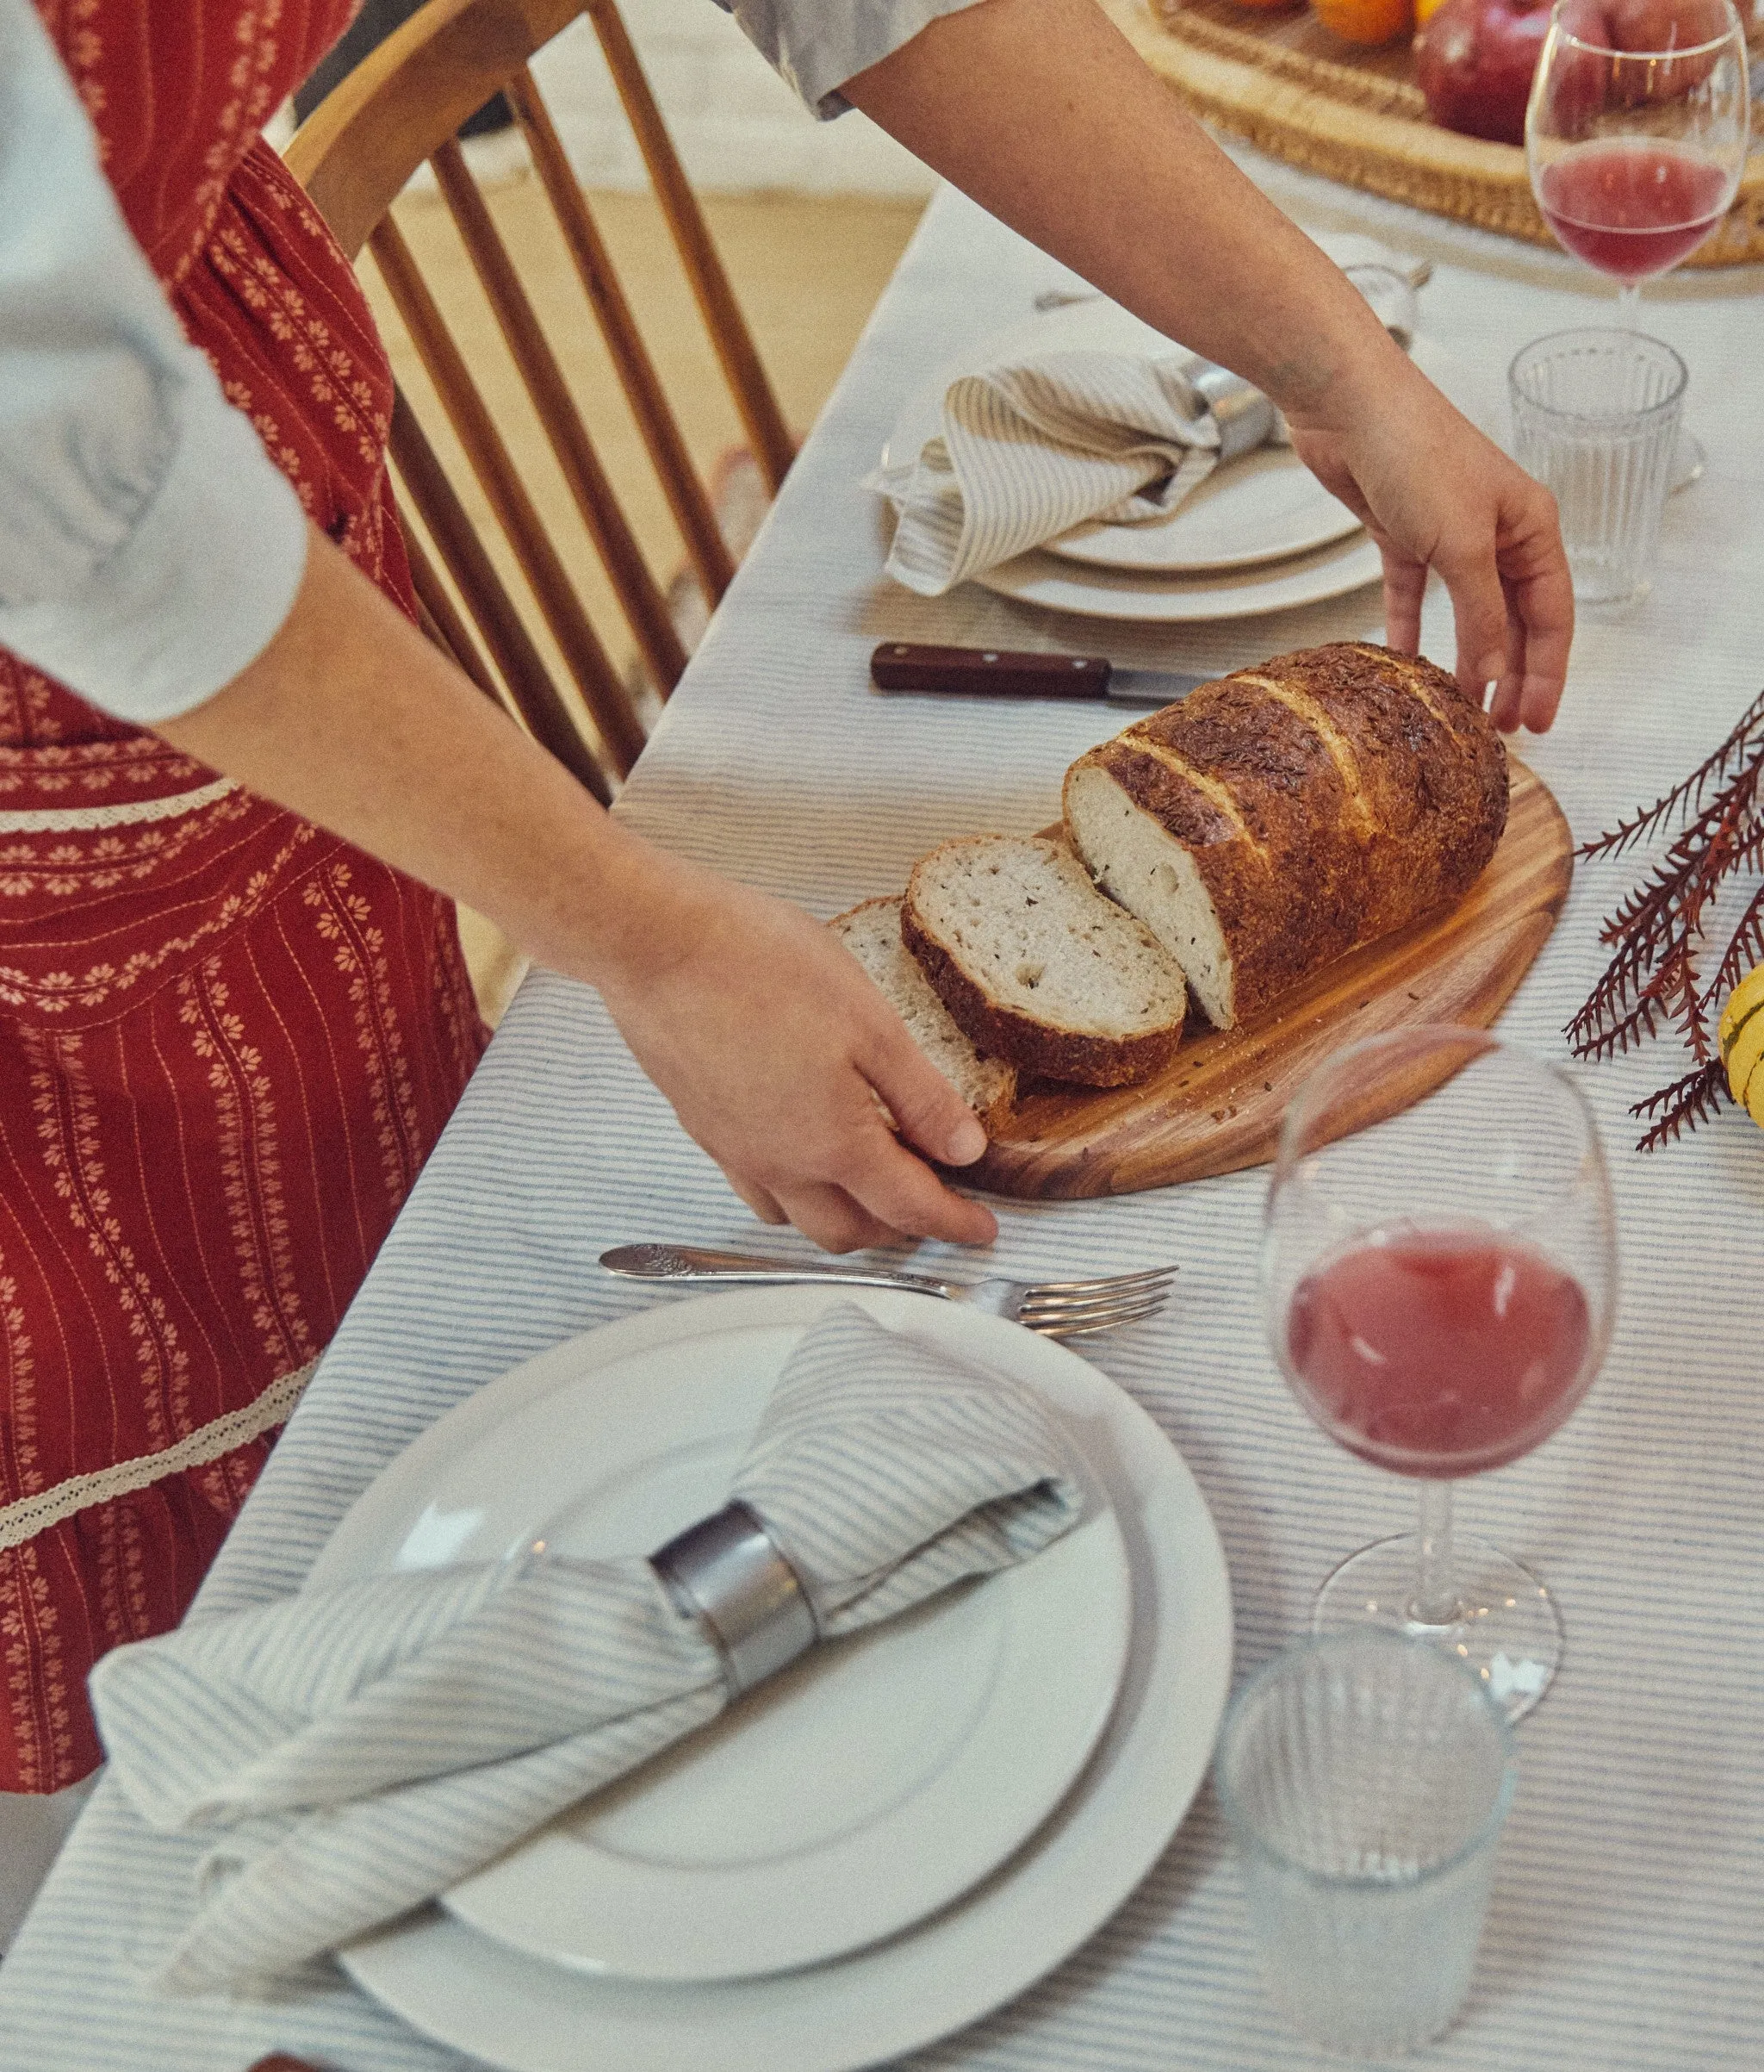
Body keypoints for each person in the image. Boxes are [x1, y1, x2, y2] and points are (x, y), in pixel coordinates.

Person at [0, 0, 1571, 1906]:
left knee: (360, 1366)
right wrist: (651, 940)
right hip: (86, 597)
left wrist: (1330, 363)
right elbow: (53, 467)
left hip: (245, 603)